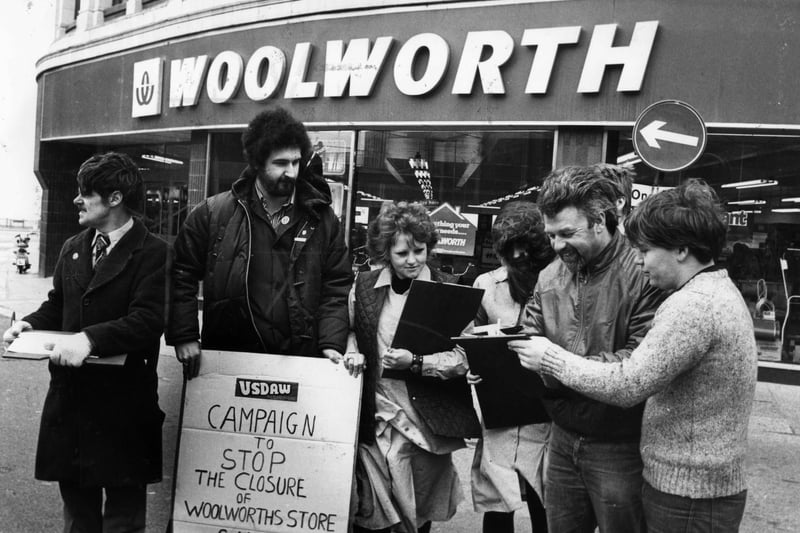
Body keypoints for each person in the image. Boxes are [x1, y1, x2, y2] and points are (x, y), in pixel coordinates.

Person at [535, 179, 758, 533]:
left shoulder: (694, 306)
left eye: (646, 249)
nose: (638, 260)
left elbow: (629, 383)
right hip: (694, 486)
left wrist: (551, 359)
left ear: (681, 250)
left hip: (689, 495)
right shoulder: (712, 291)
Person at [2, 152, 167, 533]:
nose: (77, 200)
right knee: (78, 518)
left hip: (124, 408)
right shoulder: (73, 245)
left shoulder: (155, 252)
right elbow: (58, 304)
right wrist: (27, 325)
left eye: (86, 193)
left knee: (123, 521)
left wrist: (90, 340)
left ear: (114, 198)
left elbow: (148, 320)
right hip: (72, 402)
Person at [508, 165, 665, 533]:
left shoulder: (644, 275)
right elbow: (528, 336)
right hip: (562, 437)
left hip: (619, 445)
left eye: (567, 233)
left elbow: (637, 363)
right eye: (551, 236)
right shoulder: (549, 276)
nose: (557, 246)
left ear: (603, 221)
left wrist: (553, 363)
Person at [167, 107, 354, 375]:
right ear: (257, 163)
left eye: (296, 162)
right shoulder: (214, 213)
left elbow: (336, 285)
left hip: (299, 360)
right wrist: (184, 334)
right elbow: (181, 273)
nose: (291, 172)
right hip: (230, 356)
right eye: (280, 163)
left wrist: (330, 341)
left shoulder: (322, 220)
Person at [346, 201, 477, 533]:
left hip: (425, 421)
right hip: (376, 418)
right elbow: (348, 327)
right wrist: (352, 351)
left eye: (419, 251)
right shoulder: (363, 287)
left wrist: (417, 363)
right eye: (402, 253)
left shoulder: (449, 290)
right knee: (373, 512)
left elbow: (466, 355)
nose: (412, 261)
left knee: (417, 511)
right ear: (386, 251)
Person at [466, 201, 555, 533]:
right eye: (511, 250)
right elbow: (466, 338)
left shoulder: (559, 283)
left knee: (543, 504)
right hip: (500, 413)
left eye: (527, 249)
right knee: (497, 505)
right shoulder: (486, 285)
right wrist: (470, 365)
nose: (520, 257)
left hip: (543, 415)